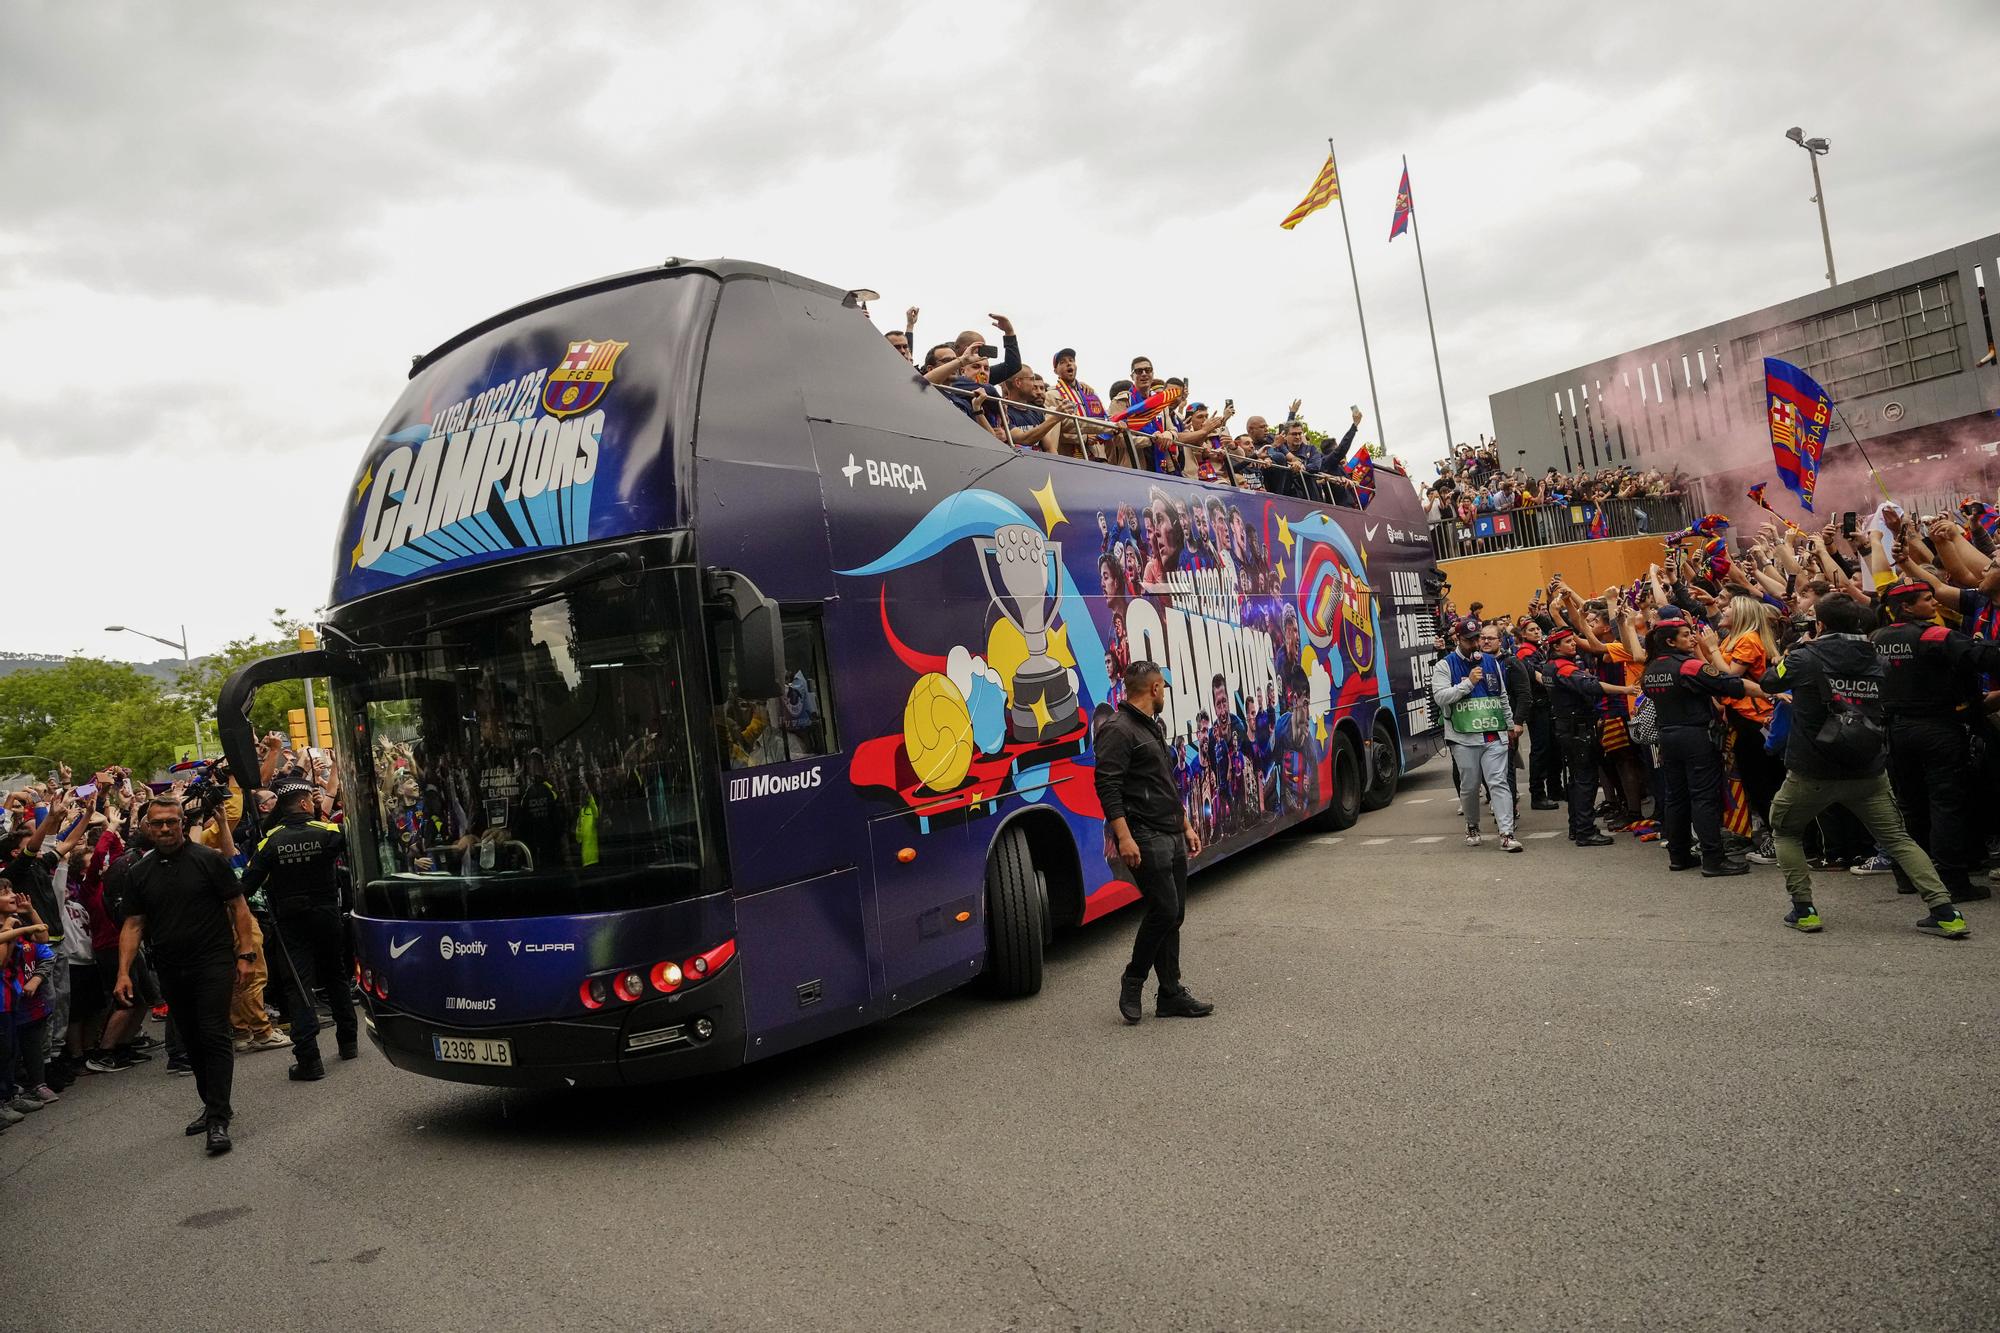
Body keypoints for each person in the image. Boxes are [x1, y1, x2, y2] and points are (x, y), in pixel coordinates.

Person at [1760, 593, 1969, 937]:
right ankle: (1945, 911)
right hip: (1868, 768)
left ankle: (1804, 910)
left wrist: (1792, 652)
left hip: (1812, 770)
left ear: (1820, 625)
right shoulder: (1877, 654)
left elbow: (1771, 681)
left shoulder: (1804, 657)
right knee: (1900, 839)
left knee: (1785, 830)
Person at [114, 795, 255, 1156]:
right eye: (157, 823)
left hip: (213, 963)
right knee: (191, 1040)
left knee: (213, 1034)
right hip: (172, 968)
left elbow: (238, 906)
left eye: (171, 822)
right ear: (147, 827)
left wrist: (246, 952)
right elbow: (133, 924)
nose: (165, 828)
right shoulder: (139, 873)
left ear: (181, 822)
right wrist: (123, 973)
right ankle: (212, 1105)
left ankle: (218, 1119)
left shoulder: (208, 860)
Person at [1094, 660, 1212, 1025]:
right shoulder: (1118, 729)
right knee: (1163, 909)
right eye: (1163, 686)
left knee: (1173, 914)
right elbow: (1107, 786)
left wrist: (1186, 825)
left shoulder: (1151, 727)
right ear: (1154, 689)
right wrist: (1124, 836)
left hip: (1170, 830)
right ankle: (1133, 980)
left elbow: (1163, 783)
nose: (1164, 693)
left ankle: (1170, 995)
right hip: (1143, 834)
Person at [1874, 579, 2000, 903]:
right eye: (1927, 599)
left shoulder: (1877, 639)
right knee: (1946, 805)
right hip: (1939, 730)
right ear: (1907, 607)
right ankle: (1955, 883)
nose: (1934, 604)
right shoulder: (1933, 634)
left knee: (1910, 807)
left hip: (1896, 733)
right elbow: (1984, 659)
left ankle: (1908, 877)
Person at [241, 777, 356, 1080]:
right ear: (305, 803)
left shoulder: (271, 841)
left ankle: (309, 1059)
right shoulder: (330, 831)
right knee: (335, 975)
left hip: (291, 921)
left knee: (298, 986)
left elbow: (247, 885)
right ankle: (348, 1041)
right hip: (327, 913)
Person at [1641, 619, 1768, 876]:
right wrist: (1768, 692)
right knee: (1704, 797)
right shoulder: (1688, 666)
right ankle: (1713, 859)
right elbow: (1729, 683)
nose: (1692, 639)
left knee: (1676, 798)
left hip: (1667, 735)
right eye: (1686, 635)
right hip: (1695, 736)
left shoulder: (1652, 668)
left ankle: (1679, 855)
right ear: (1670, 641)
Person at [1536, 627, 1637, 845]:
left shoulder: (1550, 666)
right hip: (1578, 728)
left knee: (1576, 780)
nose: (1573, 644)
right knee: (1585, 780)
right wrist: (1625, 690)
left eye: (1573, 641)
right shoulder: (1563, 667)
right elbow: (1590, 685)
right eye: (1568, 642)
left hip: (1567, 726)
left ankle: (1577, 827)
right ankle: (1585, 830)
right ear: (1556, 647)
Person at [1432, 623, 1523, 851]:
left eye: (1478, 638)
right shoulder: (1445, 665)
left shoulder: (1491, 662)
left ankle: (1506, 833)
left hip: (1493, 733)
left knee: (1498, 782)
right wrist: (1468, 683)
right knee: (1470, 785)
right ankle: (1472, 825)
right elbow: (1441, 697)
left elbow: (1501, 696)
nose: (1476, 644)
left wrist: (1510, 724)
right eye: (1470, 639)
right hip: (1463, 738)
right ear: (1458, 639)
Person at [1514, 617, 1564, 810]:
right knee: (1541, 750)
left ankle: (1555, 788)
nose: (1536, 632)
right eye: (1531, 630)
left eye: (1537, 629)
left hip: (1548, 703)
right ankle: (1538, 794)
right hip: (1537, 705)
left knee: (1554, 749)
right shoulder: (1525, 652)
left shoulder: (1539, 649)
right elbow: (1537, 676)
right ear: (1524, 634)